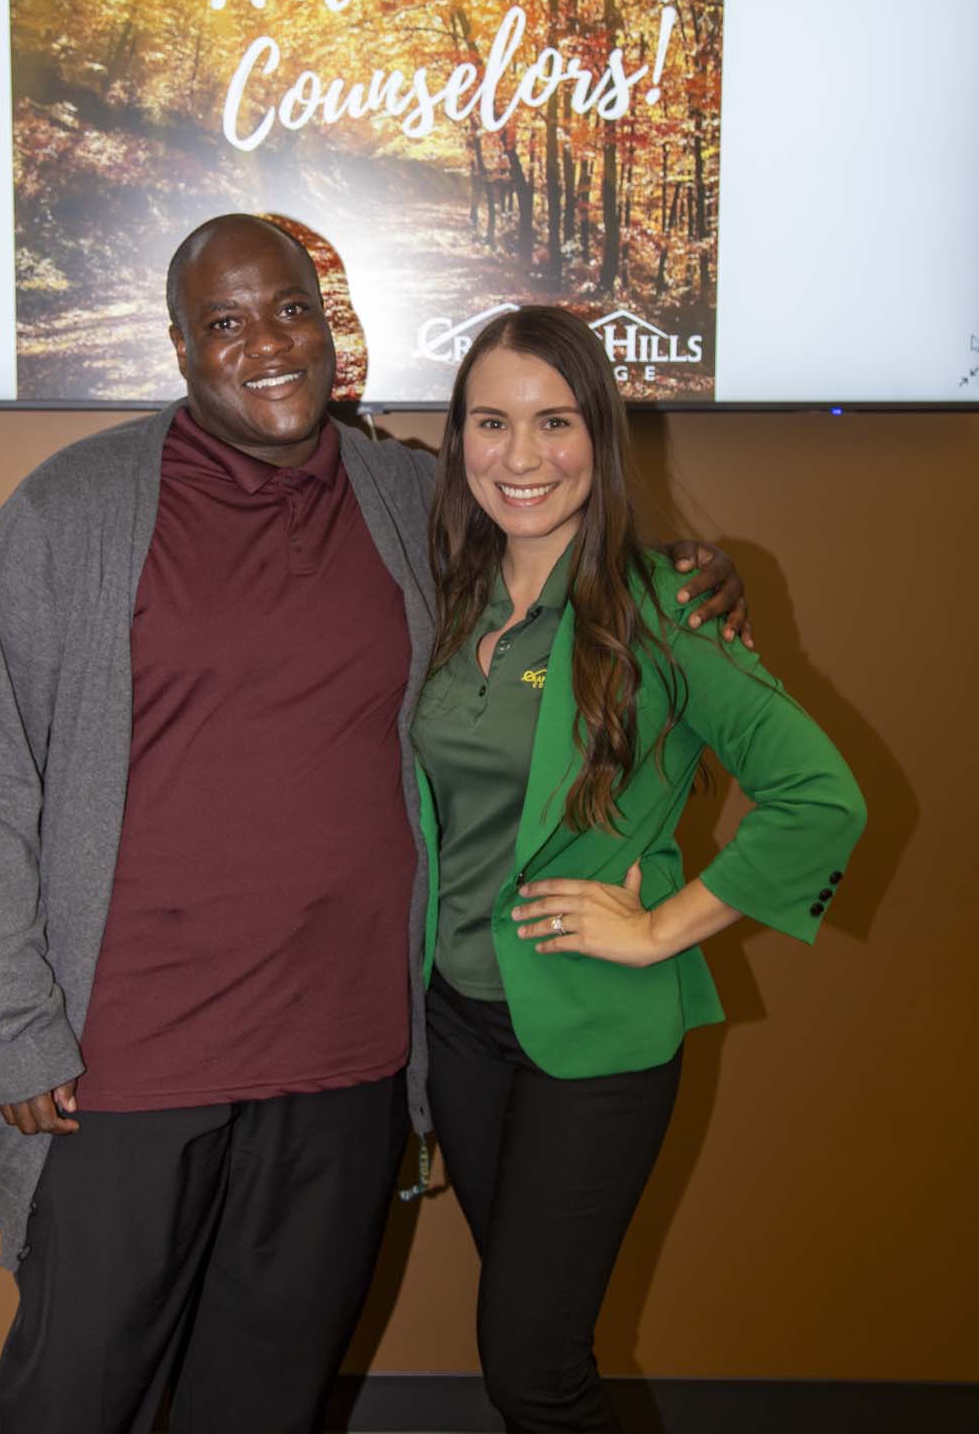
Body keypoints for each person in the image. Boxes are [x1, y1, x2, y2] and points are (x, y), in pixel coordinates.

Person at [0, 217, 748, 1434]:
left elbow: (559, 544)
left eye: (291, 311)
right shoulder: (71, 514)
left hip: (345, 1061)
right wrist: (9, 1023)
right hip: (123, 1063)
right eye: (225, 322)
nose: (267, 345)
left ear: (329, 322)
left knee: (268, 1399)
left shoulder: (411, 499)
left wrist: (690, 571)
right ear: (180, 347)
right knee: (75, 1399)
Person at [413, 305, 867, 1434]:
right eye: (491, 423)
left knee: (532, 1368)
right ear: (457, 437)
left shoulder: (665, 606)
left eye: (554, 422)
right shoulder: (448, 593)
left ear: (600, 435)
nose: (521, 457)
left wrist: (662, 929)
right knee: (536, 1338)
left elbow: (823, 800)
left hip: (596, 1034)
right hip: (459, 1025)